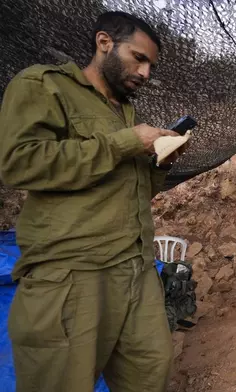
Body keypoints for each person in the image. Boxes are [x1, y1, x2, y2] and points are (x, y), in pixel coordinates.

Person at [0, 11, 183, 392]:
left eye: (151, 65)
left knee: (151, 374)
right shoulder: (43, 86)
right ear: (104, 43)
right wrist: (128, 142)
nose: (146, 73)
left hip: (136, 269)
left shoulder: (123, 113)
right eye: (139, 58)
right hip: (74, 274)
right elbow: (20, 164)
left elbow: (131, 192)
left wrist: (159, 162)